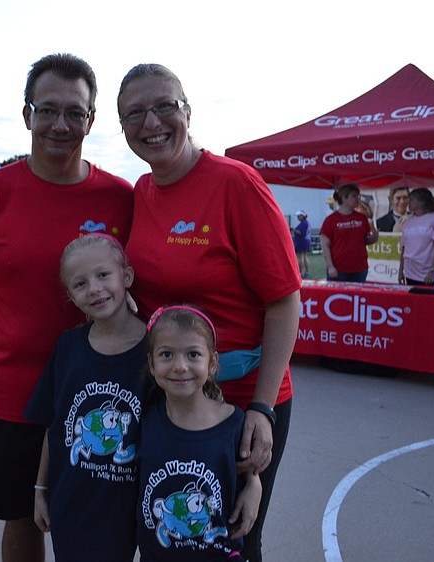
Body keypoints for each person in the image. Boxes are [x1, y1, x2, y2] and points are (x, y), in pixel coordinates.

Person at [0, 53, 134, 562]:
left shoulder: (121, 197)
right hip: (13, 397)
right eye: (47, 110)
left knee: (104, 521)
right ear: (27, 114)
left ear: (91, 120)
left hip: (103, 395)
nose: (60, 124)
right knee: (23, 520)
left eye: (75, 112)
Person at [117, 63, 300, 562]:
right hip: (171, 396)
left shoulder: (236, 184)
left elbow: (284, 300)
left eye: (165, 106)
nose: (151, 122)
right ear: (122, 126)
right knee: (169, 531)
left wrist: (262, 409)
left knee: (232, 538)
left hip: (243, 401)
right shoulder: (141, 192)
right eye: (134, 113)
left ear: (188, 112)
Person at [24, 234, 148, 562]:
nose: (94, 289)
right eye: (80, 284)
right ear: (70, 295)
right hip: (73, 499)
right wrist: (40, 489)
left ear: (127, 277)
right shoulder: (68, 348)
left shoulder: (156, 352)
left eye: (103, 275)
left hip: (133, 502)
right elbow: (54, 425)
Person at [139, 305, 262, 561]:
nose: (180, 366)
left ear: (213, 363)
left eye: (193, 354)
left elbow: (248, 471)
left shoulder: (234, 424)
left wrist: (254, 484)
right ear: (151, 363)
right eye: (167, 354)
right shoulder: (145, 419)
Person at [320, 183, 379, 282]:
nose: (357, 199)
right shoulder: (330, 220)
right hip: (338, 270)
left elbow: (364, 240)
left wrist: (374, 238)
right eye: (354, 196)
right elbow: (325, 245)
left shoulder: (362, 218)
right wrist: (330, 266)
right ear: (344, 198)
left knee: (358, 292)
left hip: (360, 269)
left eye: (358, 196)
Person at [397, 188, 434, 286]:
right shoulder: (408, 222)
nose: (408, 203)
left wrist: (433, 270)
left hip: (428, 274)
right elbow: (404, 248)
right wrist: (400, 271)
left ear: (422, 202)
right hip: (409, 273)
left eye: (412, 200)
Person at [291, 210, 311, 279]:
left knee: (300, 257)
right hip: (306, 241)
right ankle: (307, 272)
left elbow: (300, 233)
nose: (297, 217)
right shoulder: (307, 222)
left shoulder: (303, 223)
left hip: (301, 241)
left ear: (302, 216)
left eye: (299, 216)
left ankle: (300, 272)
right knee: (305, 256)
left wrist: (293, 230)